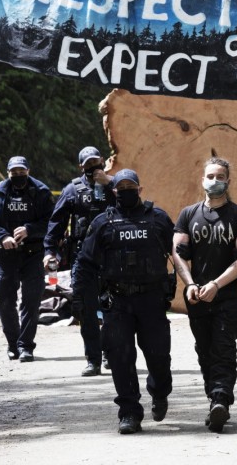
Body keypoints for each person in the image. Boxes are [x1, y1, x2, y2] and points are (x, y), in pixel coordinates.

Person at [72, 169, 174, 434]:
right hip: (118, 300)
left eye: (132, 186)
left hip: (152, 299)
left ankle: (160, 392)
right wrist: (80, 298)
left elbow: (180, 253)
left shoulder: (159, 219)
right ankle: (129, 412)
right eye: (121, 187)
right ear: (114, 191)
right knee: (120, 358)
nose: (126, 190)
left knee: (159, 356)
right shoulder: (102, 223)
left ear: (140, 189)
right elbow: (85, 262)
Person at [171, 157, 237, 433]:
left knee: (223, 348)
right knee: (205, 351)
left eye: (220, 177)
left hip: (227, 297)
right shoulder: (188, 214)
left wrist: (217, 285)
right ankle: (214, 400)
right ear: (202, 179)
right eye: (210, 176)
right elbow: (178, 254)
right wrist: (191, 284)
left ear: (228, 182)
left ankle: (221, 400)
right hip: (196, 297)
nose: (214, 181)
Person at [43, 146, 115, 376]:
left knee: (116, 308)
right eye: (88, 164)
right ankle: (93, 359)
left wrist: (110, 183)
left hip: (113, 257)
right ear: (81, 167)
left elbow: (134, 204)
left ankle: (111, 354)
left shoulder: (116, 184)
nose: (93, 167)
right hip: (83, 258)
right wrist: (49, 251)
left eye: (96, 161)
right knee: (85, 309)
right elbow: (56, 222)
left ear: (103, 161)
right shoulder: (73, 190)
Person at [0, 156, 54, 363]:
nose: (18, 175)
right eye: (14, 173)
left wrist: (30, 229)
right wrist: (3, 236)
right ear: (8, 173)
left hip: (33, 254)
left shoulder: (41, 192)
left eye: (21, 172)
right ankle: (13, 344)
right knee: (5, 300)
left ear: (28, 171)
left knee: (31, 302)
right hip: (8, 255)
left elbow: (52, 220)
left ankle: (26, 346)